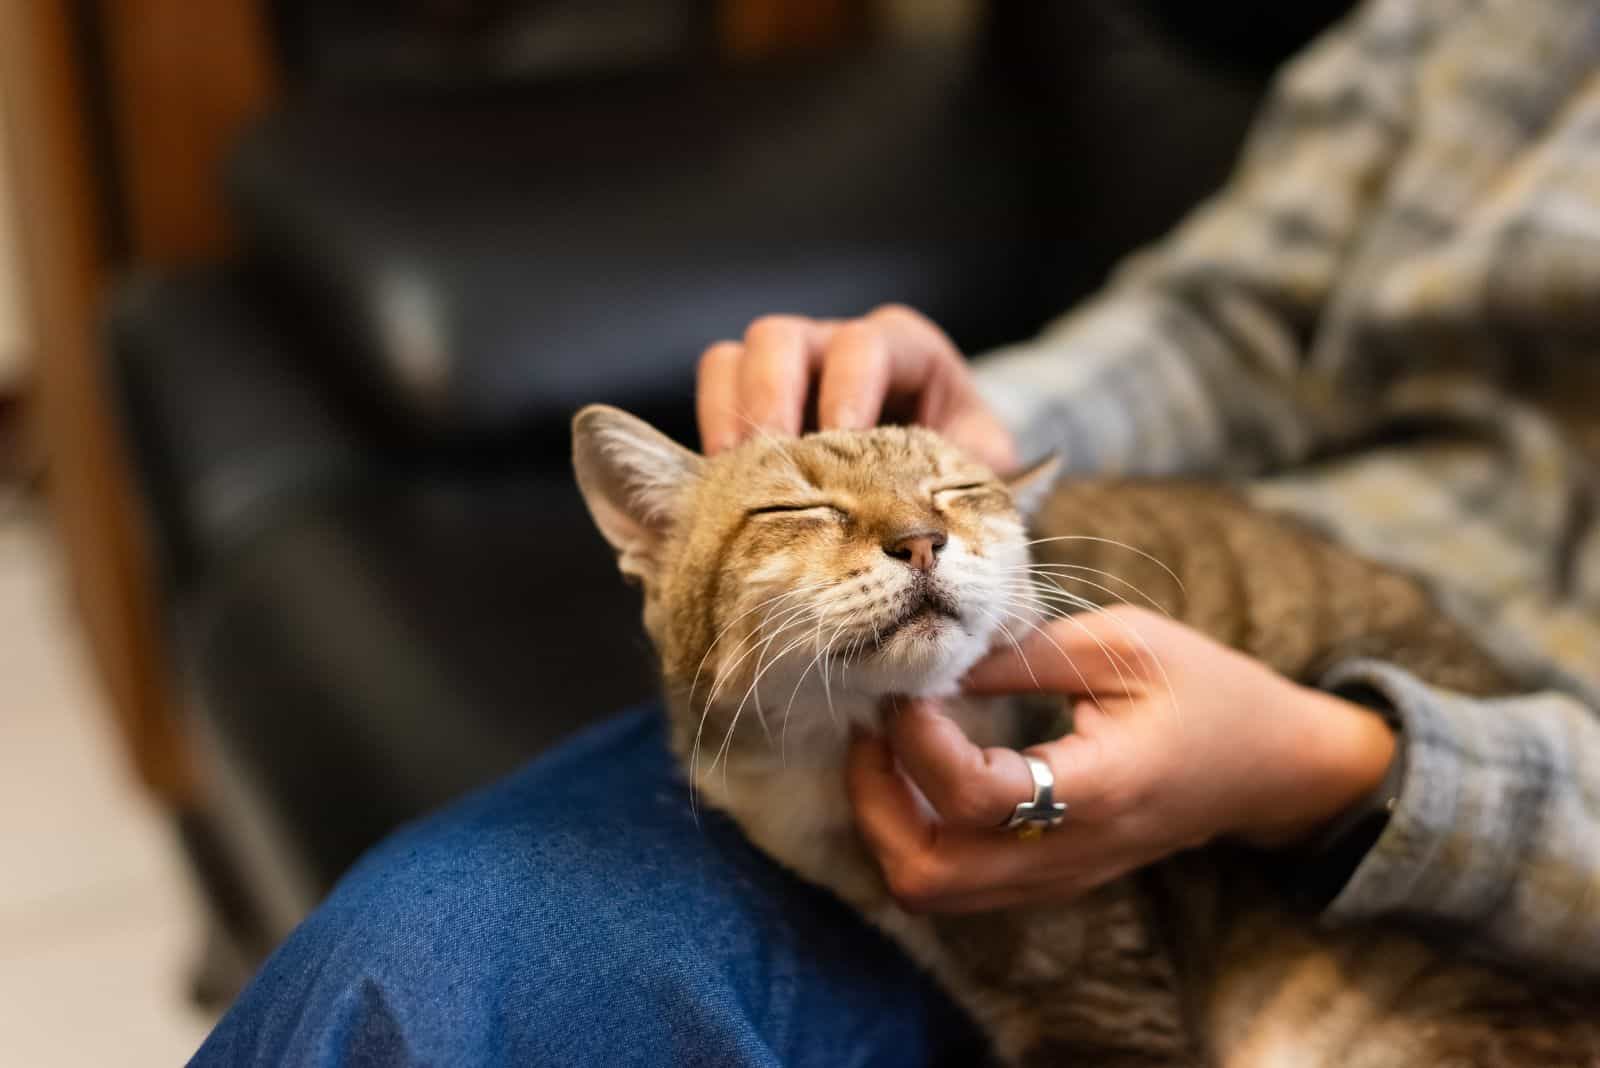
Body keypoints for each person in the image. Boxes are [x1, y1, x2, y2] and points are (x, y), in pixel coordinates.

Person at [193, 0, 1600, 1062]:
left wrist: (1343, 767)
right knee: (422, 978)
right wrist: (960, 441)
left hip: (1481, 831)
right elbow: (1224, 325)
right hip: (1102, 629)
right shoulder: (1466, 25)